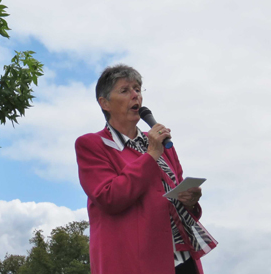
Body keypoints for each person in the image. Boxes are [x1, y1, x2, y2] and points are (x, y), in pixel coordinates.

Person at [75, 64, 217, 274]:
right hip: (133, 263)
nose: (136, 96)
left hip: (182, 259)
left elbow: (172, 198)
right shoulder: (92, 145)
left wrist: (189, 201)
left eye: (138, 89)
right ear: (104, 103)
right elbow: (109, 198)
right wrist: (150, 156)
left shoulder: (162, 145)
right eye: (125, 90)